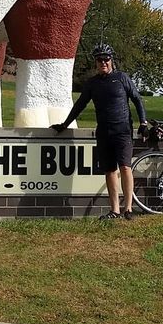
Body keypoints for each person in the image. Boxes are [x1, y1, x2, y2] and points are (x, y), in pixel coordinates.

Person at [53, 44, 149, 220]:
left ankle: (128, 208)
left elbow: (137, 99)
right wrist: (65, 124)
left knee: (125, 167)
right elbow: (80, 104)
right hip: (104, 131)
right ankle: (115, 210)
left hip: (123, 130)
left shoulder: (121, 78)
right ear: (95, 62)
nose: (103, 62)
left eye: (106, 59)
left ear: (111, 60)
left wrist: (143, 123)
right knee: (110, 170)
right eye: (99, 60)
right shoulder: (93, 83)